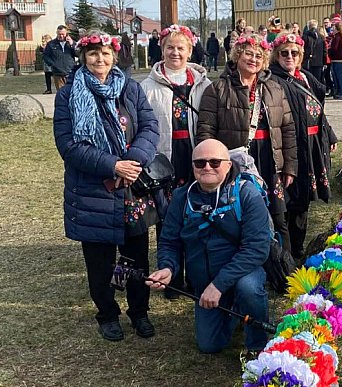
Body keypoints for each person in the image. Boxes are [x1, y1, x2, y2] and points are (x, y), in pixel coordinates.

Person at [52, 30, 160, 342]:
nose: (100, 59)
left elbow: (150, 126)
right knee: (100, 262)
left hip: (131, 189)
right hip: (94, 191)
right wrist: (113, 166)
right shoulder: (68, 94)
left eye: (105, 53)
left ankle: (139, 312)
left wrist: (134, 161)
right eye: (93, 54)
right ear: (83, 57)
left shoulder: (130, 88)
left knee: (136, 257)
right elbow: (68, 145)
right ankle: (107, 314)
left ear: (114, 56)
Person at [147, 139, 272, 355]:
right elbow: (169, 241)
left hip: (242, 274)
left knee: (248, 289)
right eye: (200, 163)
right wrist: (168, 268)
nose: (207, 167)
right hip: (204, 283)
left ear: (228, 165)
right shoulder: (181, 197)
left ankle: (257, 345)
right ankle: (234, 310)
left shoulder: (247, 194)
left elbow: (257, 249)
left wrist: (219, 285)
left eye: (215, 162)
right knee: (209, 345)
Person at [196, 33, 297, 258]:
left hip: (270, 160)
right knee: (240, 216)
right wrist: (212, 166)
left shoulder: (274, 88)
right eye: (248, 54)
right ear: (237, 55)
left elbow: (288, 129)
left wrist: (289, 166)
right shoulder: (217, 89)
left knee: (279, 216)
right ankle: (241, 267)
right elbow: (206, 131)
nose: (253, 59)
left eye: (259, 55)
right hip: (235, 162)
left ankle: (284, 268)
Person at [140, 25, 212, 301]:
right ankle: (171, 276)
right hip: (165, 158)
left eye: (181, 47)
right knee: (167, 215)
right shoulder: (148, 86)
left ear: (190, 51)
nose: (175, 52)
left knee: (197, 213)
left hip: (195, 154)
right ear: (162, 49)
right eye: (170, 47)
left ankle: (197, 275)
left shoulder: (202, 84)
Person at [268, 32, 338, 260]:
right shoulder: (273, 80)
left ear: (301, 56)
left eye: (294, 53)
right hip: (292, 145)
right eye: (284, 53)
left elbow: (320, 112)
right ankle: (284, 251)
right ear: (276, 55)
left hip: (313, 145)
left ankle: (298, 247)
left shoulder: (306, 77)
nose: (289, 57)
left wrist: (329, 134)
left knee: (305, 197)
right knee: (288, 198)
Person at [44, 25, 77, 91]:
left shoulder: (72, 43)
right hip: (57, 73)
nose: (61, 36)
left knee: (71, 93)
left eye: (63, 34)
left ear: (66, 34)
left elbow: (77, 54)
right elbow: (46, 56)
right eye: (59, 34)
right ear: (57, 33)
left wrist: (72, 45)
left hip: (70, 72)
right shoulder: (51, 44)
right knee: (61, 94)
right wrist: (53, 64)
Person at [329, 22, 342, 100]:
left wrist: (329, 51)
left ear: (337, 29)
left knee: (339, 77)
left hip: (337, 59)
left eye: (333, 28)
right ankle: (341, 92)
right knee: (340, 76)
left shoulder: (337, 38)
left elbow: (334, 48)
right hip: (340, 59)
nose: (332, 30)